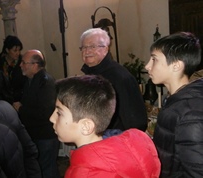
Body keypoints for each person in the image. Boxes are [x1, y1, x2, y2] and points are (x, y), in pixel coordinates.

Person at [50, 75, 160, 178]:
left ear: (86, 126)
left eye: (59, 113)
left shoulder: (84, 174)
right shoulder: (135, 150)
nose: (51, 118)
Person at [145, 32, 203, 177]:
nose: (147, 66)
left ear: (176, 66)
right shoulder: (178, 101)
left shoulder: (189, 113)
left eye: (154, 59)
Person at [79, 28, 147, 131]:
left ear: (106, 49)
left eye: (92, 46)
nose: (87, 51)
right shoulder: (90, 74)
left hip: (113, 139)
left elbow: (135, 120)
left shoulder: (119, 77)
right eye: (84, 47)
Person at [13, 50, 60, 178]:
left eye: (24, 62)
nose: (20, 65)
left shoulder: (45, 82)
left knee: (47, 170)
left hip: (45, 136)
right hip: (36, 134)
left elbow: (46, 112)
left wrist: (21, 109)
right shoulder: (31, 80)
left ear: (35, 65)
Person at [0, 35, 26, 104]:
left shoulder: (22, 62)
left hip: (19, 98)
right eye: (15, 50)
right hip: (4, 99)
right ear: (7, 50)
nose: (18, 53)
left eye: (19, 50)